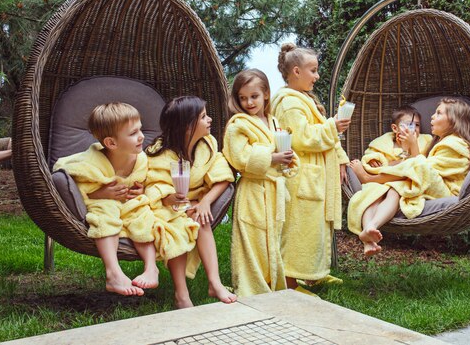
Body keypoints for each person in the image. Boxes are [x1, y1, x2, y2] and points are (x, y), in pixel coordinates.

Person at [347, 98, 470, 256]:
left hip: (447, 191)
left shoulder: (454, 144)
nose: (432, 116)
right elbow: (423, 170)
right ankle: (369, 232)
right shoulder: (441, 142)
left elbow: (423, 170)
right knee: (385, 190)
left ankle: (368, 179)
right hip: (430, 184)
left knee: (406, 174)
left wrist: (413, 146)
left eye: (438, 113)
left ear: (453, 120)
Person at [53, 103, 159, 296]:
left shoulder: (141, 159)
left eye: (140, 129)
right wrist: (100, 194)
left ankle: (151, 267)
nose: (142, 136)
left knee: (142, 214)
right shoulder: (90, 163)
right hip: (102, 203)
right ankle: (113, 273)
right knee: (105, 213)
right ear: (111, 143)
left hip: (128, 204)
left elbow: (151, 178)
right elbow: (75, 183)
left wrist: (143, 188)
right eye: (134, 133)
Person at [270, 43, 350, 289]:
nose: (316, 76)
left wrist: (341, 159)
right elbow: (302, 137)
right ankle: (290, 282)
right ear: (296, 71)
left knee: (314, 228)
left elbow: (322, 129)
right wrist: (332, 127)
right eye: (312, 71)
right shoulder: (288, 103)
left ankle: (313, 273)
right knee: (298, 230)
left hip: (313, 174)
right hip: (300, 176)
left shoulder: (303, 98)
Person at [145, 96, 237, 307]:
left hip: (194, 202)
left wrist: (205, 202)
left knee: (199, 219)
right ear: (187, 126)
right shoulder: (160, 152)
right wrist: (171, 198)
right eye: (203, 117)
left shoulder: (208, 144)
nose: (210, 120)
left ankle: (214, 282)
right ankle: (182, 294)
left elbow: (223, 177)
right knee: (180, 227)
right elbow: (152, 184)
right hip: (166, 207)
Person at [222, 69, 299, 297]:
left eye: (254, 96)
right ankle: (251, 284)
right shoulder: (238, 125)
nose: (248, 102)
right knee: (252, 239)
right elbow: (239, 157)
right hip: (253, 191)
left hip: (274, 189)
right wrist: (272, 157)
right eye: (243, 98)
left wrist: (287, 158)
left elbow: (280, 150)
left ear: (266, 94)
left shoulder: (274, 121)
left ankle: (271, 279)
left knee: (272, 239)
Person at [357, 105, 433, 177]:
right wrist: (372, 160)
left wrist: (394, 163)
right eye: (409, 125)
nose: (413, 129)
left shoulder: (426, 141)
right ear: (395, 128)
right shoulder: (383, 143)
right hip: (387, 179)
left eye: (417, 125)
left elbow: (424, 164)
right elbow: (372, 156)